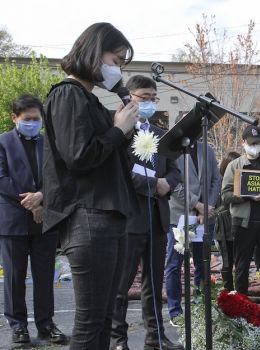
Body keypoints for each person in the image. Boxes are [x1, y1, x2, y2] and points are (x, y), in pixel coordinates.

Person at [43, 23, 140, 349]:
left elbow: (107, 159)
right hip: (88, 216)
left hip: (108, 216)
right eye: (115, 59)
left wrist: (124, 133)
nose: (117, 69)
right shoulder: (67, 94)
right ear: (95, 52)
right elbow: (79, 156)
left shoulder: (92, 100)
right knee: (89, 324)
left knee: (101, 322)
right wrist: (117, 131)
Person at [111, 75, 182, 350]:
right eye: (144, 98)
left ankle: (156, 337)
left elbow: (174, 170)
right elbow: (122, 173)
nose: (150, 103)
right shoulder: (120, 131)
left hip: (157, 217)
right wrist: (154, 183)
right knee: (122, 285)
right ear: (129, 97)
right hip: (130, 217)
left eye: (154, 98)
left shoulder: (160, 133)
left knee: (154, 284)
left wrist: (168, 183)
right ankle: (119, 340)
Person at [0, 95, 66, 345]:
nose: (32, 123)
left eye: (36, 119)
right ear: (14, 118)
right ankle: (17, 325)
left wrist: (42, 197)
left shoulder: (51, 143)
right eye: (26, 119)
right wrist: (30, 202)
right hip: (13, 220)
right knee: (14, 276)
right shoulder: (2, 142)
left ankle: (46, 324)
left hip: (45, 218)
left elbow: (60, 176)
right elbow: (2, 178)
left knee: (44, 275)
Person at [222, 125, 260, 319]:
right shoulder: (235, 166)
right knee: (241, 265)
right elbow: (225, 195)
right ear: (243, 143)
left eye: (258, 143)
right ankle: (242, 304)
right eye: (251, 143)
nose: (254, 147)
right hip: (243, 222)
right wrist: (247, 196)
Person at [165, 117, 221, 326]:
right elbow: (174, 184)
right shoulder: (173, 150)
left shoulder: (207, 149)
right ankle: (175, 311)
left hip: (204, 217)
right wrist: (196, 204)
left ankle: (200, 307)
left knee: (203, 263)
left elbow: (216, 180)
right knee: (174, 264)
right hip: (180, 216)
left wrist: (208, 207)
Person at [214, 151, 241, 291]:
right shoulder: (219, 181)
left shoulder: (241, 180)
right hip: (223, 226)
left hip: (239, 224)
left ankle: (239, 292)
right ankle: (228, 292)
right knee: (227, 262)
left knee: (240, 262)